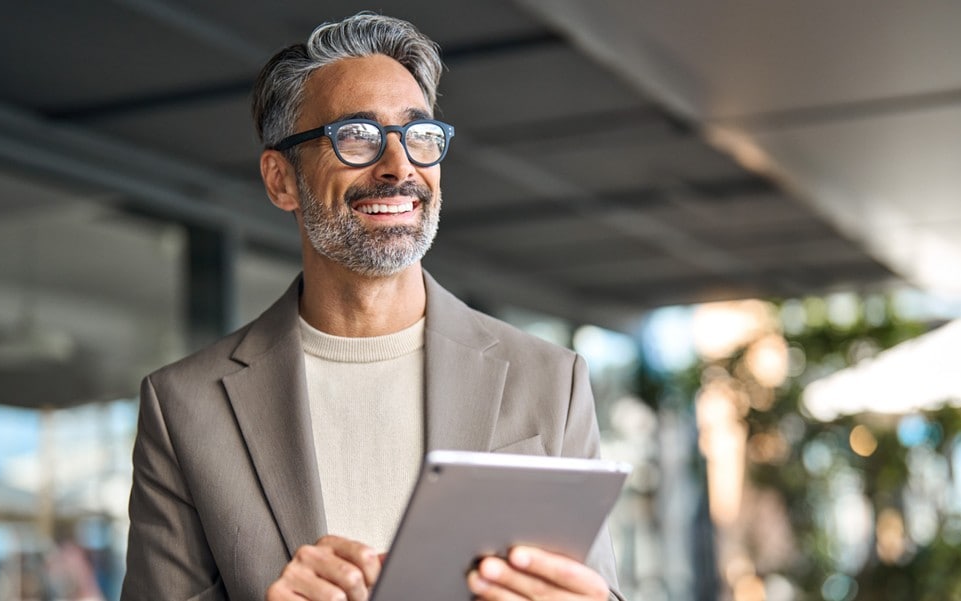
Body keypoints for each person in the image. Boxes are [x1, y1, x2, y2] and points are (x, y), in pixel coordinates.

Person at [121, 12, 622, 601]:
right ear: (281, 180)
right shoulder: (184, 407)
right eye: (356, 135)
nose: (399, 167)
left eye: (419, 136)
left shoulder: (552, 381)